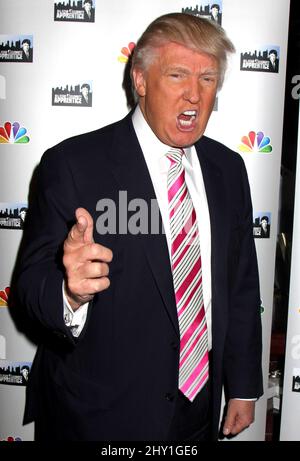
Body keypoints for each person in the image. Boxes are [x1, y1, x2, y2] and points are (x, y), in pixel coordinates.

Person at [15, 13, 263, 441]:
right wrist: (68, 291)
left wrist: (242, 387)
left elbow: (240, 286)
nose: (194, 95)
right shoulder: (73, 165)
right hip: (100, 416)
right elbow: (28, 287)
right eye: (177, 75)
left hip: (197, 411)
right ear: (141, 80)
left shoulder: (229, 169)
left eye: (208, 79)